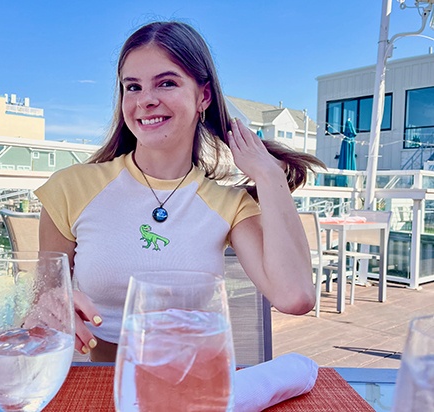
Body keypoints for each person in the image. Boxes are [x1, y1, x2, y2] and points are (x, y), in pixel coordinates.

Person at [35, 21, 326, 361]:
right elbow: (41, 303)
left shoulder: (228, 205)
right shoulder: (71, 188)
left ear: (203, 96)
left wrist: (268, 175)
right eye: (133, 87)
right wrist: (47, 306)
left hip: (190, 385)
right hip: (92, 385)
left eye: (167, 83)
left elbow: (295, 297)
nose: (145, 100)